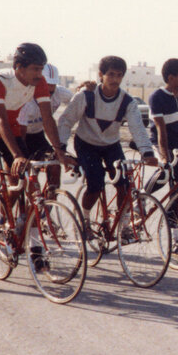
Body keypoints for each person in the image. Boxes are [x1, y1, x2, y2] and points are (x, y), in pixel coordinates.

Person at [0, 43, 76, 292]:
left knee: (31, 189)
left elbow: (47, 119)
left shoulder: (40, 83)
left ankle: (32, 245)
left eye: (42, 69)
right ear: (18, 67)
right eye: (35, 69)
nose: (39, 74)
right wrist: (17, 155)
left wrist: (60, 152)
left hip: (11, 133)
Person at [57, 55, 157, 234]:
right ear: (101, 75)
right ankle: (85, 220)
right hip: (86, 144)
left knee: (124, 185)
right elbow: (66, 121)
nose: (115, 79)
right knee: (95, 185)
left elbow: (138, 128)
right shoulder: (86, 95)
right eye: (111, 74)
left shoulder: (127, 101)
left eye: (119, 75)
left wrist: (147, 152)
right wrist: (61, 148)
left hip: (111, 145)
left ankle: (121, 225)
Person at [148, 58, 178, 258]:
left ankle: (175, 242)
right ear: (171, 77)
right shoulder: (157, 97)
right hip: (160, 141)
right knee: (165, 173)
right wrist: (165, 158)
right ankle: (141, 199)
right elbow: (161, 131)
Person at [17, 63, 73, 190]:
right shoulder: (28, 99)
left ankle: (48, 199)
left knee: (54, 163)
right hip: (21, 135)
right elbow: (21, 131)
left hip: (38, 134)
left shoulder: (60, 92)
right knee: (24, 178)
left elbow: (79, 101)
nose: (50, 88)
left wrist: (85, 89)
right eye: (47, 84)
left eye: (53, 85)